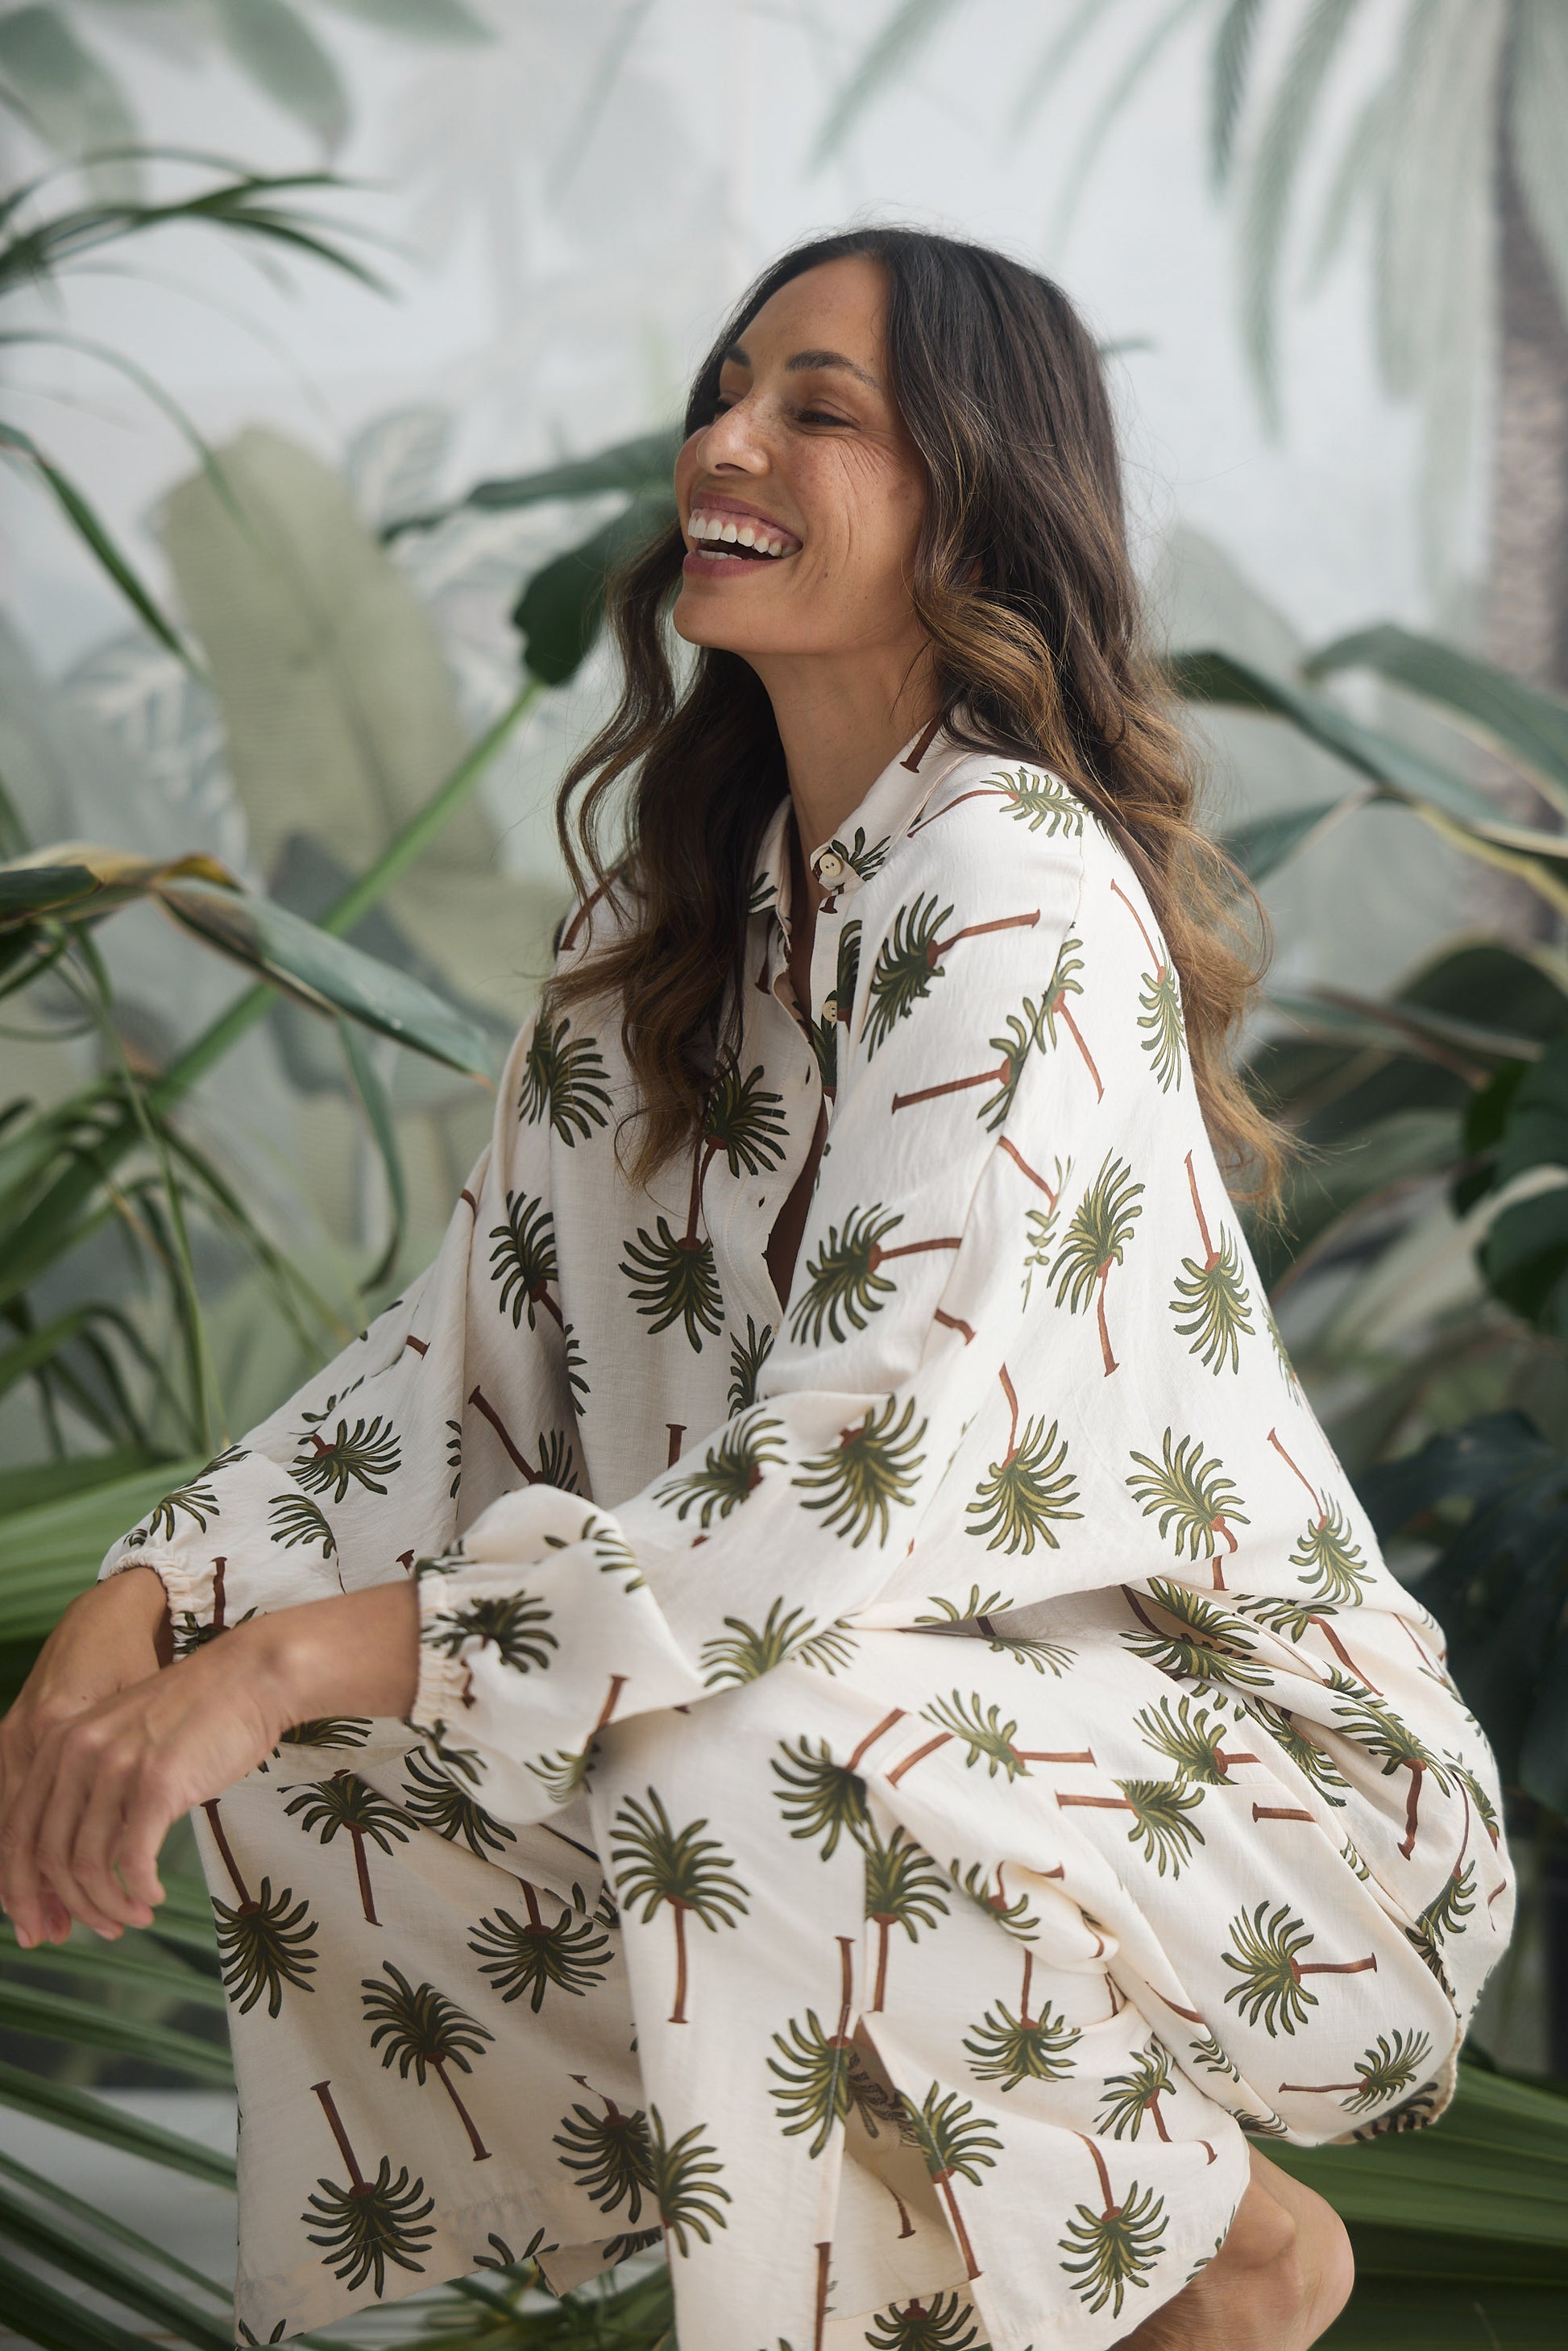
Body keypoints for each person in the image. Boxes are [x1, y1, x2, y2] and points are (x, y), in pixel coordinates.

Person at [0, 228, 1511, 2351]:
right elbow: (451, 1383)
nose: (724, 435)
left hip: (1242, 1779)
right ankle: (1149, 2234)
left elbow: (845, 1486)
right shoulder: (673, 918)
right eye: (725, 387)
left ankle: (1214, 2252)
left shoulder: (1016, 891)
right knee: (344, 1712)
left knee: (714, 1744)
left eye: (817, 407)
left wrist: (281, 1662)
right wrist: (156, 1608)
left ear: (973, 497)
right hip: (891, 1729)